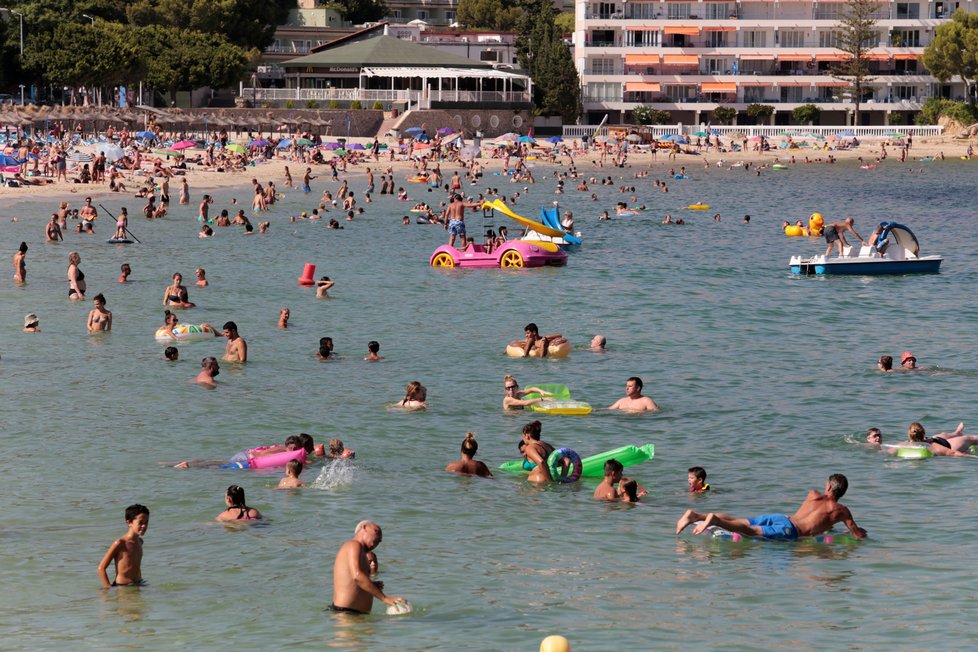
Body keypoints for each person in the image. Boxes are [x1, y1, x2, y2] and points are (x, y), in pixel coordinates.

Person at [676, 473, 867, 541]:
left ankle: (696, 515)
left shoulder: (813, 494)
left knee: (741, 520)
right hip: (789, 530)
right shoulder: (842, 511)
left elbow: (818, 516)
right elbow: (856, 533)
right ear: (843, 492)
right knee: (750, 531)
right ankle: (715, 520)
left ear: (827, 486)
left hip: (783, 518)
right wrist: (862, 534)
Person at [331, 520, 405, 614]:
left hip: (354, 614)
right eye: (376, 531)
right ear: (364, 528)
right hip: (346, 614)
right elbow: (357, 576)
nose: (378, 539)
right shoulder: (354, 545)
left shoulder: (362, 553)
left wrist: (371, 585)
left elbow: (352, 580)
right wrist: (385, 598)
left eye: (380, 540)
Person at [97, 504, 150, 588]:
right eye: (140, 522)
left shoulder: (140, 542)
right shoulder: (120, 543)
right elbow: (101, 569)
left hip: (138, 583)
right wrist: (108, 588)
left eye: (146, 522)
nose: (144, 526)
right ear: (129, 522)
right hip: (123, 587)